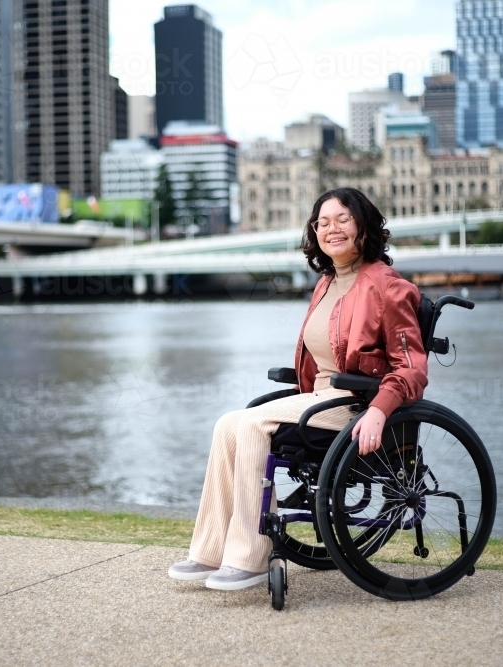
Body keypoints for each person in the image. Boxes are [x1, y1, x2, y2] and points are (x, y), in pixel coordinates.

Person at [168, 187, 429, 591]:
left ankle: (251, 558)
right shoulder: (326, 283)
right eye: (322, 223)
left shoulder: (387, 286)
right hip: (321, 398)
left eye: (343, 219)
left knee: (253, 424)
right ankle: (210, 549)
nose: (331, 229)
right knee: (227, 424)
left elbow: (410, 368)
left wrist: (379, 409)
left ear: (364, 226)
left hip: (359, 404)